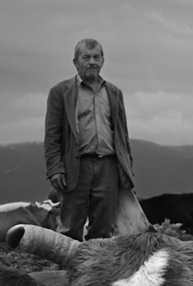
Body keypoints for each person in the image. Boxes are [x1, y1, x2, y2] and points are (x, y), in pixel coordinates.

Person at [44, 38, 135, 241]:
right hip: (75, 167)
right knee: (70, 229)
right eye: (86, 57)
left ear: (103, 61)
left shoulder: (114, 93)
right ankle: (66, 271)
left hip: (108, 167)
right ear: (75, 62)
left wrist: (127, 165)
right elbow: (52, 135)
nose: (92, 62)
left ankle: (96, 270)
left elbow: (122, 133)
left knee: (103, 229)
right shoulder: (60, 93)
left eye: (96, 57)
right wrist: (55, 168)